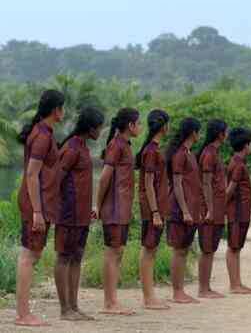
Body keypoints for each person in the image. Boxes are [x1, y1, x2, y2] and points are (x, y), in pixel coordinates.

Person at [15, 90, 65, 327]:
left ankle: (24, 312)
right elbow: (32, 174)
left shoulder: (43, 132)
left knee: (32, 254)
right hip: (36, 203)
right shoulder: (43, 136)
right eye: (62, 108)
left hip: (40, 202)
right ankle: (23, 315)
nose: (63, 112)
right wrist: (37, 211)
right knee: (29, 255)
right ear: (56, 110)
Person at [55, 107, 104, 321]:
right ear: (91, 128)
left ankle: (74, 307)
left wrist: (90, 207)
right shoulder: (72, 148)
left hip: (82, 214)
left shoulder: (83, 147)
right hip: (68, 214)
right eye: (100, 127)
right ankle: (64, 309)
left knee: (76, 258)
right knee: (64, 257)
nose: (101, 131)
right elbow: (56, 179)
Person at [96, 107, 141, 315]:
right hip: (112, 209)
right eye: (138, 123)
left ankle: (112, 300)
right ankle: (109, 303)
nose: (140, 127)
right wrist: (98, 204)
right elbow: (105, 176)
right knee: (112, 252)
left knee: (118, 252)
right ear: (130, 125)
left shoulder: (126, 146)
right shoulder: (116, 145)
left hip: (121, 209)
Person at [136, 109, 170, 310]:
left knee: (152, 250)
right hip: (152, 209)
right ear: (164, 125)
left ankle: (150, 296)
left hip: (156, 208)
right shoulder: (151, 151)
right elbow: (148, 183)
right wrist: (155, 212)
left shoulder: (154, 149)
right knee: (148, 250)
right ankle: (148, 298)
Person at [165, 118, 202, 304]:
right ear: (194, 133)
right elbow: (177, 184)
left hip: (191, 209)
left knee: (184, 250)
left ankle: (180, 290)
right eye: (199, 132)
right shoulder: (179, 155)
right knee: (178, 250)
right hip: (179, 209)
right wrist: (185, 211)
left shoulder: (189, 153)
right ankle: (177, 292)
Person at [198, 119, 228, 298]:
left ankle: (206, 287)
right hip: (210, 208)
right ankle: (203, 289)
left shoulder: (214, 153)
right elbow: (206, 183)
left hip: (216, 207)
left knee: (211, 248)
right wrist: (209, 209)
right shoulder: (209, 154)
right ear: (220, 134)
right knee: (207, 248)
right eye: (226, 132)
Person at [225, 127, 251, 294]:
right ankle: (234, 285)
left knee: (237, 247)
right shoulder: (238, 164)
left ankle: (238, 283)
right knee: (233, 247)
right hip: (236, 211)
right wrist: (220, 208)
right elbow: (229, 190)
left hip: (241, 211)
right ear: (246, 145)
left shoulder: (238, 162)